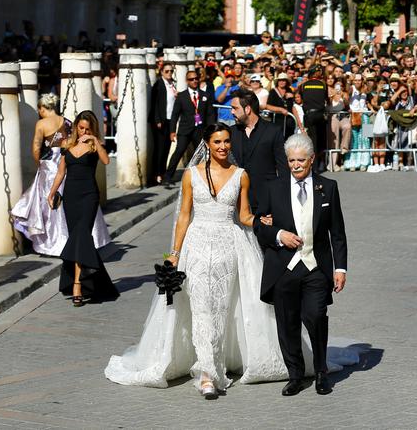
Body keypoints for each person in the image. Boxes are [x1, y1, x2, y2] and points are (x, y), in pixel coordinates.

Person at [105, 124, 316, 396]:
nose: (223, 147)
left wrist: (263, 221)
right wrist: (174, 253)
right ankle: (208, 373)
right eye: (217, 141)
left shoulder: (241, 175)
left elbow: (243, 216)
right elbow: (183, 216)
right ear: (207, 143)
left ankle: (219, 361)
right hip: (197, 246)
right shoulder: (190, 175)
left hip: (229, 247)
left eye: (227, 141)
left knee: (221, 307)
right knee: (202, 307)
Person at [254, 134, 348, 396]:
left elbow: (337, 233)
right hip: (283, 267)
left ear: (311, 160)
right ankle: (295, 375)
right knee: (287, 323)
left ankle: (320, 372)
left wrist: (340, 269)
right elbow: (258, 226)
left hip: (315, 266)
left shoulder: (327, 188)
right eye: (291, 160)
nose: (295, 165)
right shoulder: (273, 188)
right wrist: (277, 235)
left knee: (315, 316)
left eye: (300, 160)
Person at [11, 94, 109, 256]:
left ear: (43, 108)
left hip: (50, 164)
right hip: (67, 161)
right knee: (64, 203)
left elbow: (36, 148)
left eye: (39, 109)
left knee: (47, 206)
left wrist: (39, 164)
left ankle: (52, 241)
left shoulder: (41, 124)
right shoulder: (67, 121)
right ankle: (71, 242)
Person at [46, 111, 119, 305]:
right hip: (71, 198)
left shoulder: (94, 145)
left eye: (87, 128)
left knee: (82, 236)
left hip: (89, 196)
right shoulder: (67, 145)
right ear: (76, 126)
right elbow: (61, 173)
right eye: (81, 128)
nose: (84, 131)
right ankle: (97, 283)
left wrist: (94, 138)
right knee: (79, 240)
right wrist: (52, 192)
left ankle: (77, 284)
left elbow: (106, 161)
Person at [229, 92, 290, 209]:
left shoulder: (273, 131)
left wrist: (283, 198)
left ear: (247, 109)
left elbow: (283, 167)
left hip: (265, 199)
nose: (232, 112)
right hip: (237, 200)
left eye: (235, 108)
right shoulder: (231, 132)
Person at [164, 69, 215, 186]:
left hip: (200, 130)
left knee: (203, 153)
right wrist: (172, 131)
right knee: (179, 151)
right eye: (191, 79)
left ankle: (205, 176)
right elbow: (175, 115)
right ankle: (167, 177)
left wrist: (210, 130)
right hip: (185, 130)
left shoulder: (205, 95)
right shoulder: (181, 96)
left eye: (196, 78)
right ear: (187, 81)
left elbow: (210, 114)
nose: (195, 81)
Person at [149, 63, 178, 185]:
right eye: (167, 71)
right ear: (161, 72)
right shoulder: (159, 84)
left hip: (170, 119)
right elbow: (154, 103)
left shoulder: (172, 84)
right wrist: (157, 120)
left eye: (171, 71)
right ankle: (156, 174)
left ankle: (162, 172)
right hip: (160, 120)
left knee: (166, 148)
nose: (169, 73)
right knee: (159, 149)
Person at [298, 69, 329, 174]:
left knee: (311, 142)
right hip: (320, 115)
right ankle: (320, 164)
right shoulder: (323, 84)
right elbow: (326, 99)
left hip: (309, 115)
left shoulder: (304, 85)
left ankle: (313, 167)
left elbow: (302, 99)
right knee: (321, 140)